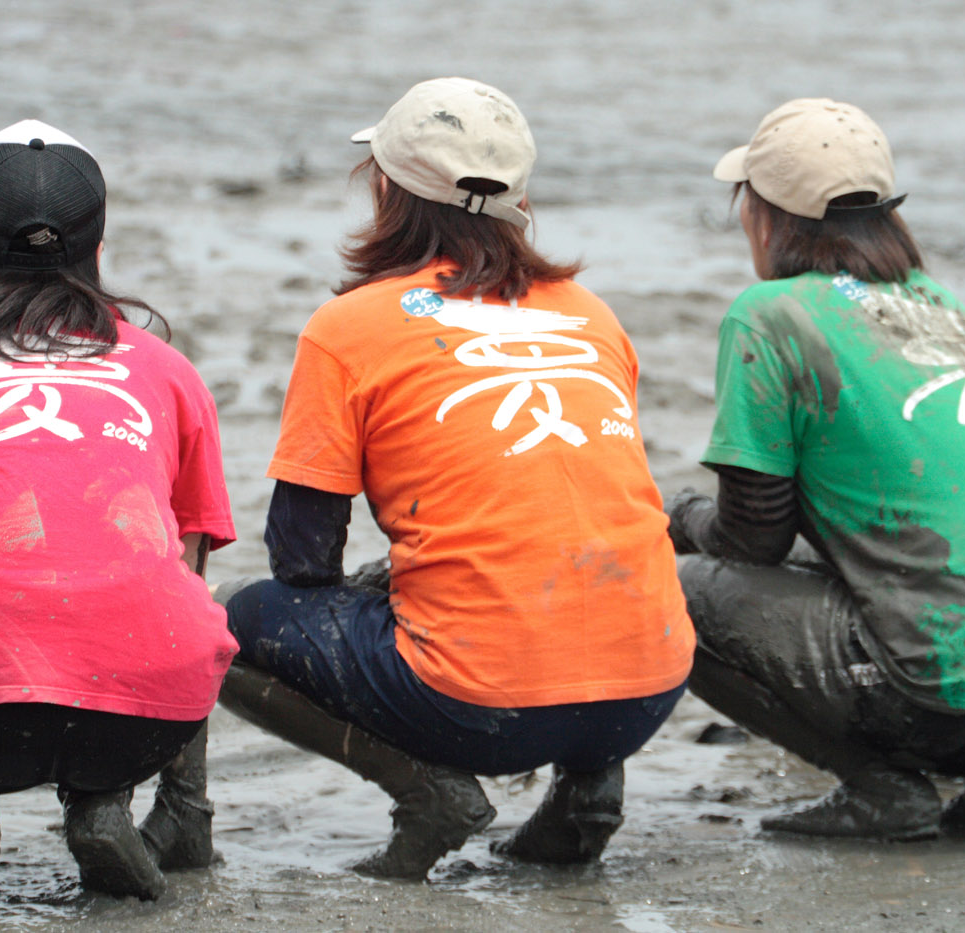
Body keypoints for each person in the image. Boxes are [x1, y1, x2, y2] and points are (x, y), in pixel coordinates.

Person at [217, 77, 694, 880]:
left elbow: (302, 560)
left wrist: (391, 582)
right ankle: (587, 791)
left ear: (383, 188)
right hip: (649, 688)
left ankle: (428, 790)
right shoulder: (591, 314)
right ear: (521, 198)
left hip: (483, 706)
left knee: (233, 628)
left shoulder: (349, 327)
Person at [667, 98, 965, 840]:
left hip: (960, 704)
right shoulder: (938, 302)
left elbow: (753, 534)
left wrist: (682, 517)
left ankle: (882, 788)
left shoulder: (769, 313)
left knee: (678, 592)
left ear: (764, 217)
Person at [0, 120, 237, 909]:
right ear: (100, 253)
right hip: (143, 720)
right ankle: (107, 806)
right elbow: (189, 565)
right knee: (174, 602)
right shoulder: (170, 371)